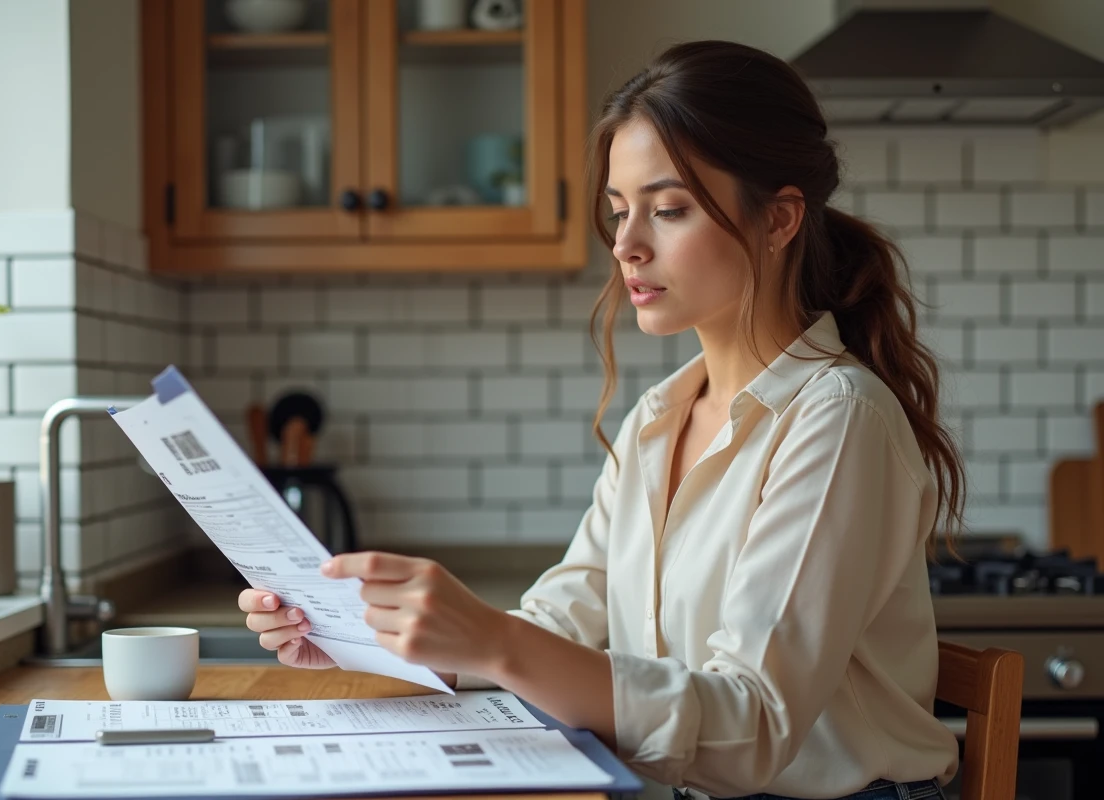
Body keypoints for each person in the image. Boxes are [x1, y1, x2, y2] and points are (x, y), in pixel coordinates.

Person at [238, 40, 965, 800]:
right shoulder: (661, 417)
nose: (626, 245)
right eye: (620, 212)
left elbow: (751, 728)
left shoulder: (838, 419)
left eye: (669, 209)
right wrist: (372, 637)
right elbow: (566, 622)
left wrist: (495, 639)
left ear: (779, 218)